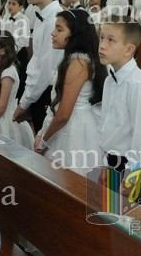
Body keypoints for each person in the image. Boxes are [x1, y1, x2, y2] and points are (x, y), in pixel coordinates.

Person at [97, 15, 141, 213]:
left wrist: (131, 177)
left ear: (129, 49)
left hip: (138, 169)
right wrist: (105, 164)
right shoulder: (110, 79)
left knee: (138, 225)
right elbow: (106, 126)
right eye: (101, 38)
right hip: (115, 162)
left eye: (111, 40)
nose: (102, 45)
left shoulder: (137, 83)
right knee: (111, 219)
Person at [34, 10, 107, 175]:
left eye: (59, 29)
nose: (53, 33)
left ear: (75, 33)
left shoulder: (78, 62)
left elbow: (64, 114)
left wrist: (44, 141)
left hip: (74, 130)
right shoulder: (76, 58)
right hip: (73, 123)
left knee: (68, 178)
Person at [13, 0, 65, 133]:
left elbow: (45, 69)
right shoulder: (43, 16)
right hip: (38, 90)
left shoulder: (54, 21)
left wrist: (25, 103)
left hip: (47, 91)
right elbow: (37, 61)